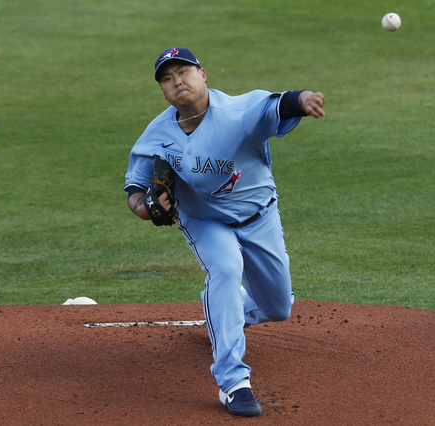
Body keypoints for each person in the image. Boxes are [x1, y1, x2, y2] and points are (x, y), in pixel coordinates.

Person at [124, 47, 325, 417]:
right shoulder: (157, 135)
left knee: (278, 308)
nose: (176, 81)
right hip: (205, 221)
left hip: (260, 217)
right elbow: (136, 190)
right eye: (167, 79)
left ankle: (220, 311)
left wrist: (305, 100)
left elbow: (279, 105)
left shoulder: (238, 112)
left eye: (183, 71)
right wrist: (146, 209)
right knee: (227, 271)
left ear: (203, 74)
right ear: (164, 90)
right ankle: (233, 382)